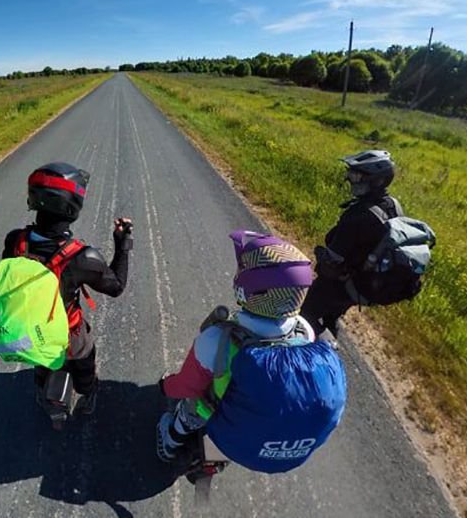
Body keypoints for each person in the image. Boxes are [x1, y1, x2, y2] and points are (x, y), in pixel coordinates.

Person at [156, 231, 344, 471]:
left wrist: (165, 386)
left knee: (190, 410)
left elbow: (187, 386)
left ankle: (170, 443)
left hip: (216, 410)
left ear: (251, 289)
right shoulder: (303, 330)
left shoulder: (216, 339)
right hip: (257, 427)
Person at [1, 162, 132, 414]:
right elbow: (116, 286)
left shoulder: (15, 240)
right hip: (66, 332)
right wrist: (123, 244)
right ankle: (87, 393)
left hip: (29, 327)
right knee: (84, 354)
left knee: (42, 359)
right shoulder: (82, 257)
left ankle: (43, 388)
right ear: (72, 207)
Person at [301, 149, 410, 337]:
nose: (351, 180)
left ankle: (308, 356)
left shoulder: (358, 215)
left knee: (303, 318)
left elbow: (333, 259)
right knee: (331, 315)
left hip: (342, 283)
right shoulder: (392, 204)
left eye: (357, 175)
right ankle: (329, 340)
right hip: (363, 283)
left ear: (377, 181)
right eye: (351, 174)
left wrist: (320, 254)